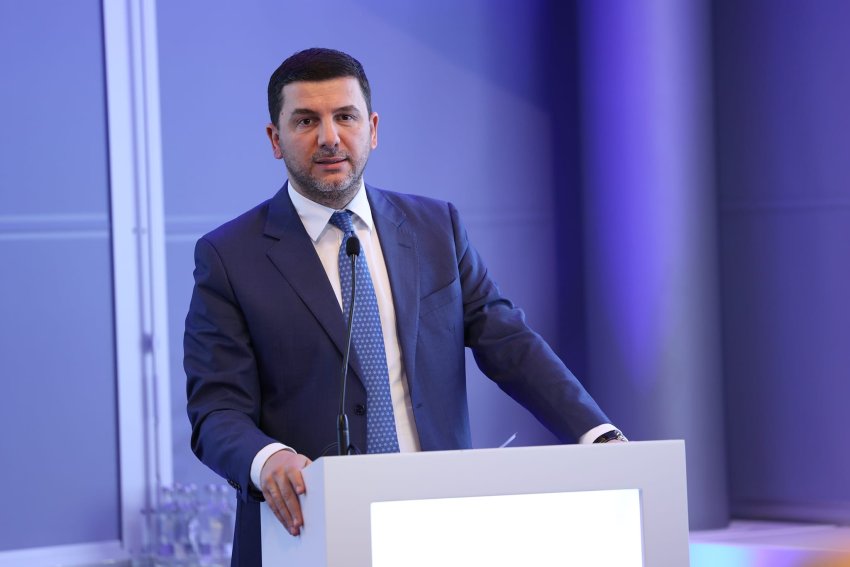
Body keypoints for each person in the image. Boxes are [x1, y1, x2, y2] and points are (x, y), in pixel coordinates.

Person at [185, 47, 626, 566]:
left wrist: (596, 433)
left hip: (437, 527)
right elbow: (216, 410)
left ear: (372, 128)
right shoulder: (229, 257)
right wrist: (267, 459)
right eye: (306, 121)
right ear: (274, 139)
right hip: (306, 536)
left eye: (345, 117)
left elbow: (509, 342)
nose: (329, 137)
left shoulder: (436, 228)